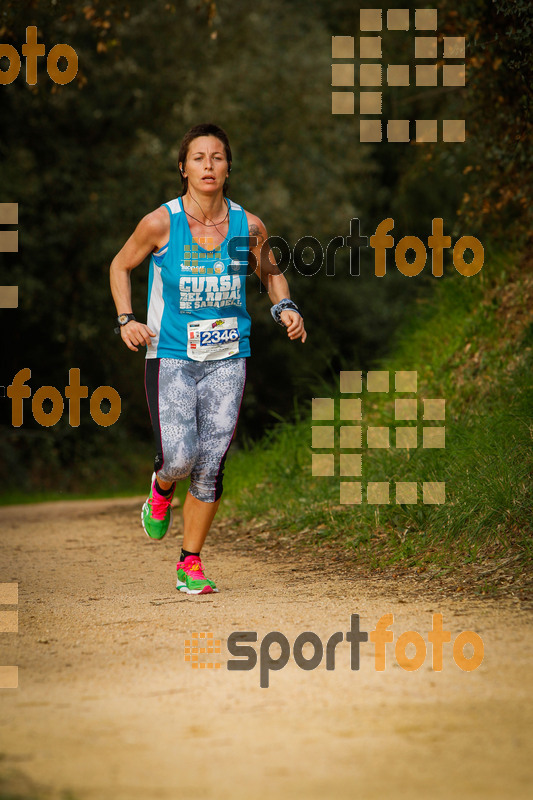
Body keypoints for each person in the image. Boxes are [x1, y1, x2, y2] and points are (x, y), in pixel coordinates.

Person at [109, 123, 306, 595]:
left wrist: (286, 305)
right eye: (198, 158)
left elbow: (270, 270)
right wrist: (125, 319)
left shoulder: (249, 225)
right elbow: (120, 265)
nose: (208, 166)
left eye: (217, 157)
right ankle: (160, 490)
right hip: (171, 355)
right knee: (179, 458)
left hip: (227, 357)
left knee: (211, 462)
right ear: (183, 168)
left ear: (228, 166)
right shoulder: (161, 222)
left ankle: (190, 561)